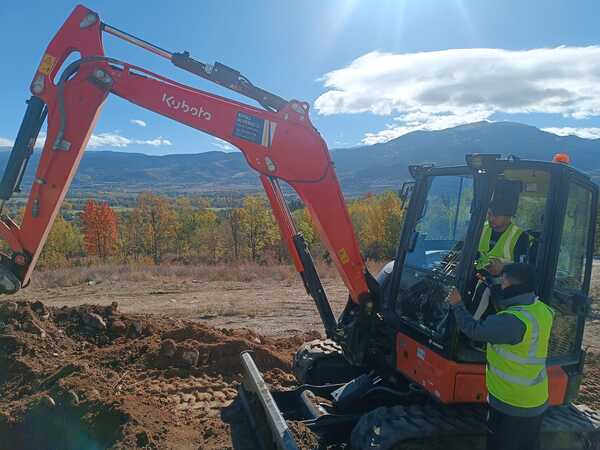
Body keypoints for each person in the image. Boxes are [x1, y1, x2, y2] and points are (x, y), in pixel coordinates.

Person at [448, 263, 554, 450]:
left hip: (511, 403)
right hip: (535, 399)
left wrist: (457, 304)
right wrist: (493, 280)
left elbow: (473, 330)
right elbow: (506, 296)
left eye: (504, 281)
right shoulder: (542, 310)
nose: (501, 285)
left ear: (514, 287)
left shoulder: (511, 322)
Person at [472, 180, 530, 319]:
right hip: (476, 273)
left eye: (495, 215)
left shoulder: (520, 237)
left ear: (508, 216)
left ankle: (470, 328)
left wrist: (503, 269)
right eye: (489, 214)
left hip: (504, 281)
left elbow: (522, 270)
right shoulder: (482, 228)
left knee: (484, 289)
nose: (491, 218)